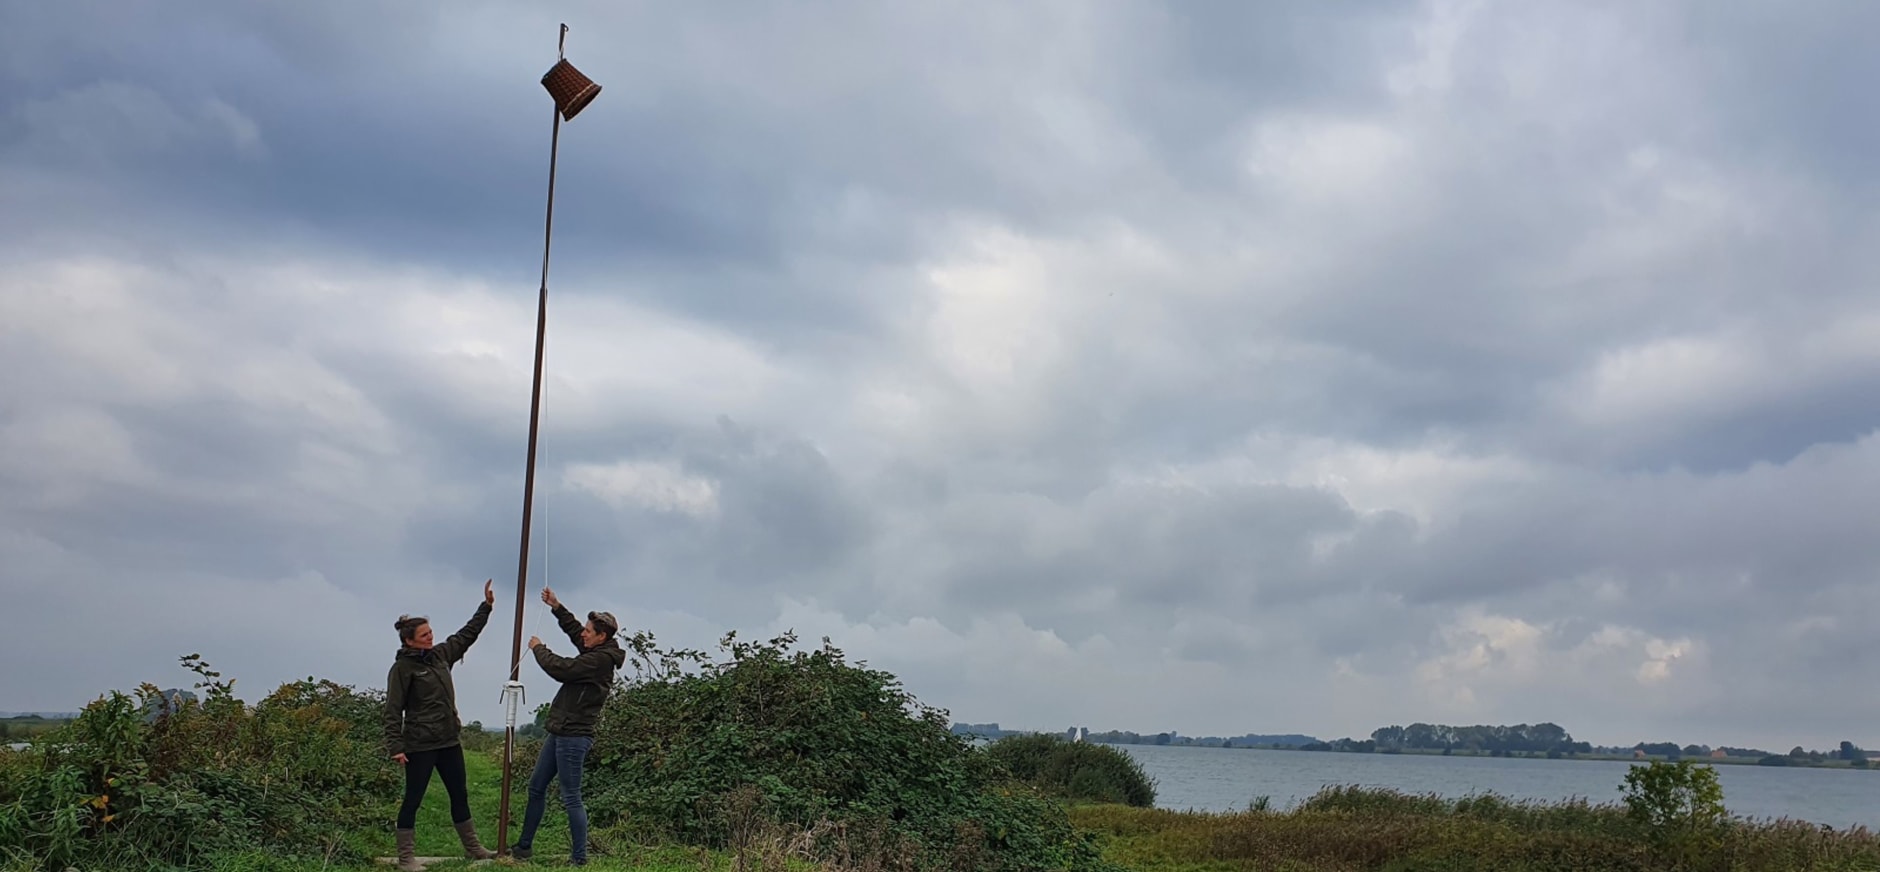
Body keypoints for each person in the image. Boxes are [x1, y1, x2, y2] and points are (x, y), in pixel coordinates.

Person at [383, 580, 498, 871]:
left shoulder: (441, 655)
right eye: (424, 635)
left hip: (449, 740)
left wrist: (485, 607)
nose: (430, 637)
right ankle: (406, 858)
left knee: (459, 794)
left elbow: (466, 635)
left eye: (430, 632)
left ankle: (474, 849)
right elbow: (393, 710)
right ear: (409, 640)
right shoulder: (402, 669)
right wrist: (395, 746)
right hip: (420, 744)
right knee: (413, 800)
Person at [510, 587, 626, 866]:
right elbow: (576, 632)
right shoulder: (595, 648)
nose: (583, 634)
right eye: (585, 629)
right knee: (537, 787)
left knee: (571, 797)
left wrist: (539, 648)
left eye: (589, 631)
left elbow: (561, 669)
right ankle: (523, 848)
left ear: (602, 637)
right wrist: (557, 606)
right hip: (559, 731)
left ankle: (579, 859)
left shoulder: (598, 660)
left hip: (575, 736)